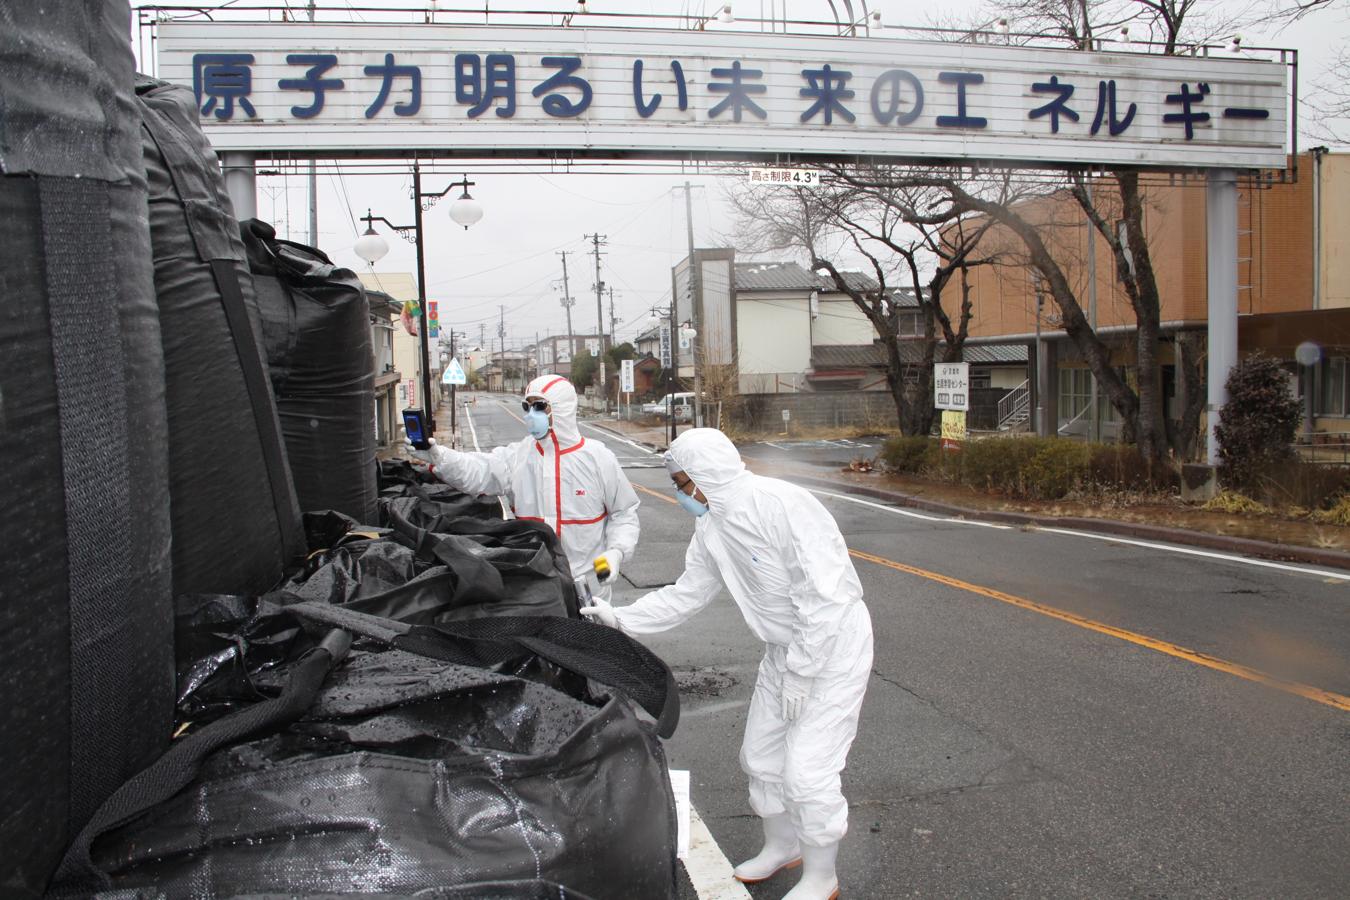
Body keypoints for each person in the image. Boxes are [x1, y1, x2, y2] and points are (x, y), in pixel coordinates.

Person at [581, 428, 872, 900]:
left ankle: (822, 874)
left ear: (705, 477)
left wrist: (803, 670)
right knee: (760, 756)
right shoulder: (713, 526)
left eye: (680, 482)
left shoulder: (782, 506)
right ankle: (783, 846)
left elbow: (827, 599)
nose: (678, 493)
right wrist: (622, 618)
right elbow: (688, 593)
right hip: (785, 651)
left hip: (833, 649)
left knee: (807, 770)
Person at [408, 373, 639, 601]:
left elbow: (624, 512)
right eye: (526, 407)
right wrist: (439, 457)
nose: (531, 415)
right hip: (534, 587)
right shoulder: (518, 457)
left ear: (562, 409)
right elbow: (478, 470)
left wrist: (617, 552)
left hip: (589, 587)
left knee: (590, 636)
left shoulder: (598, 458)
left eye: (539, 407)